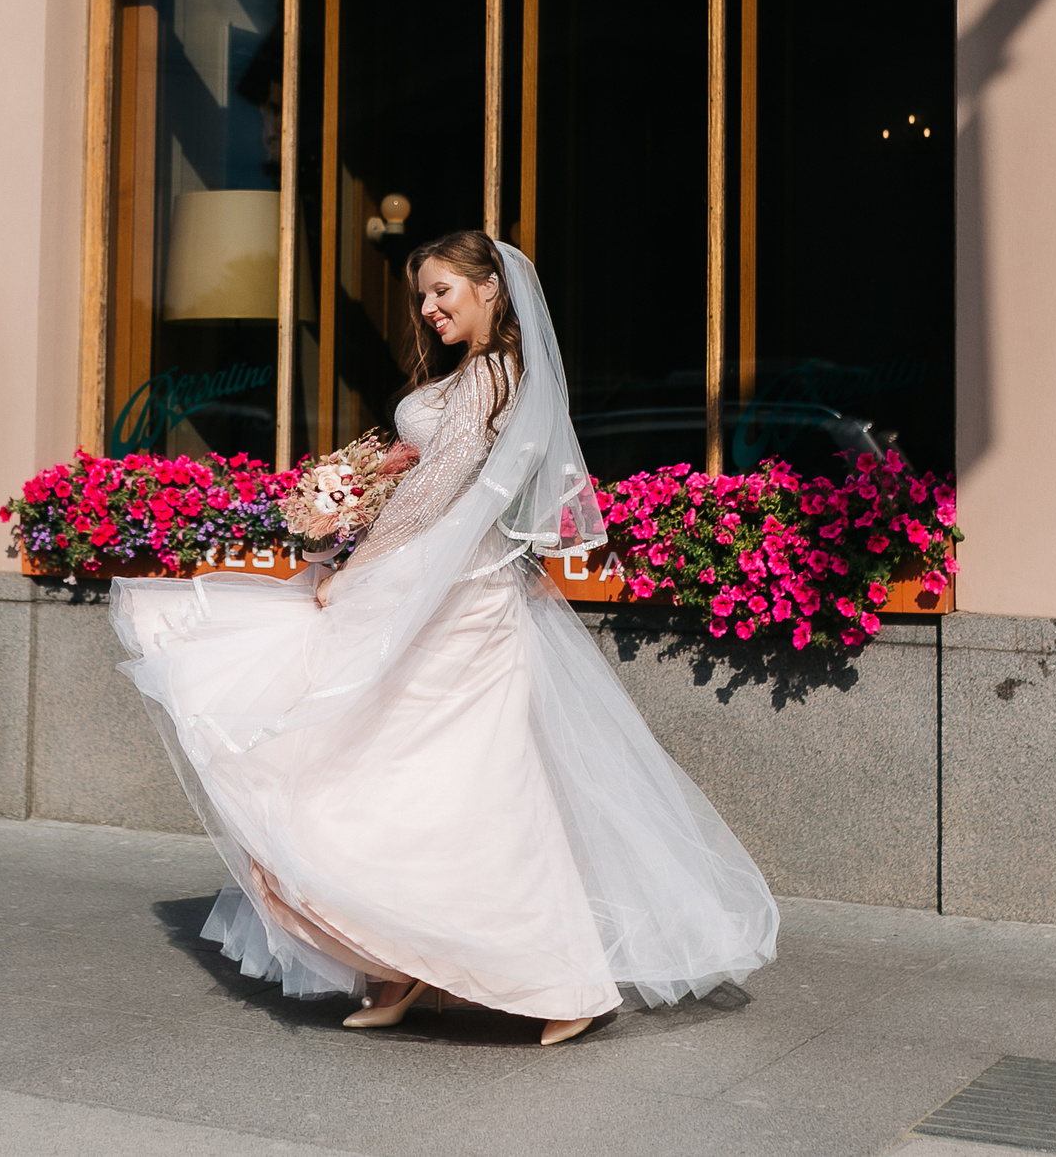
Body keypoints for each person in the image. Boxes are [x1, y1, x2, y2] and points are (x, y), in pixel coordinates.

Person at [111, 232, 778, 1046]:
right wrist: (360, 487)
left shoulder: (497, 372)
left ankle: (554, 977)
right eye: (421, 296)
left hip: (453, 598)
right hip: (435, 588)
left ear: (491, 289)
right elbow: (425, 465)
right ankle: (406, 965)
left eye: (441, 290)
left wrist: (358, 565)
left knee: (453, 778)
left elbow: (446, 483)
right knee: (406, 768)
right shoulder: (471, 375)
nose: (428, 308)